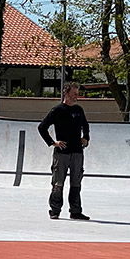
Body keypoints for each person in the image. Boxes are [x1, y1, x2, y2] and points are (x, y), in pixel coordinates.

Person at [38, 83, 90, 220]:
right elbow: (42, 127)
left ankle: (75, 211)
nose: (76, 96)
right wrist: (53, 143)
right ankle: (55, 210)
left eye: (77, 93)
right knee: (58, 182)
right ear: (66, 93)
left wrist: (86, 137)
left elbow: (86, 125)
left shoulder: (79, 110)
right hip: (62, 153)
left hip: (77, 152)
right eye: (74, 94)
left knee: (76, 182)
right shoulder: (57, 110)